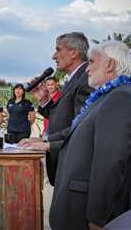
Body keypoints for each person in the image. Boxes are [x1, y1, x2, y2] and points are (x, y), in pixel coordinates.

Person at [20, 41, 131, 229]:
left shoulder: (121, 98)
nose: (88, 69)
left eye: (91, 62)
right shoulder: (110, 96)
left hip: (100, 215)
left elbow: (111, 162)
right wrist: (46, 141)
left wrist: (97, 218)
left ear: (110, 64)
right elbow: (79, 130)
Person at [22, 32, 93, 186]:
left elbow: (82, 127)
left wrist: (47, 142)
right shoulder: (73, 78)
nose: (54, 56)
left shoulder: (87, 78)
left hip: (73, 164)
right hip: (63, 161)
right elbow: (61, 118)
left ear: (73, 52)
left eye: (58, 50)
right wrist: (44, 99)